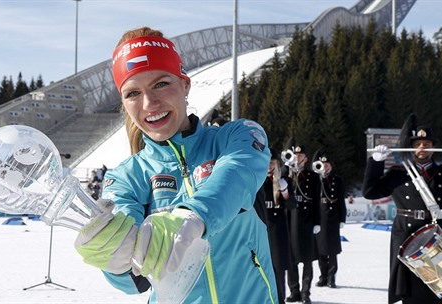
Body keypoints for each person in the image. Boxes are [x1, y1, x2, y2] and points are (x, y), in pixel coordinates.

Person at [73, 26, 278, 304]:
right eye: (133, 93)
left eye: (160, 84)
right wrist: (115, 260)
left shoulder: (236, 137)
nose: (149, 103)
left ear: (185, 84)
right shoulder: (126, 178)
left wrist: (193, 215)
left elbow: (237, 173)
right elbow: (135, 282)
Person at [363, 114, 442, 304]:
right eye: (417, 144)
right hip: (407, 235)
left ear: (433, 147)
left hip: (440, 233)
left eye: (426, 144)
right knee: (412, 291)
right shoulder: (398, 173)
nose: (421, 148)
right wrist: (375, 162)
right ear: (411, 147)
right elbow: (370, 192)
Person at [283, 140, 321, 304]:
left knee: (307, 260)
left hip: (306, 222)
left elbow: (316, 201)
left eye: (300, 155)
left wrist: (317, 222)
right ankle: (294, 291)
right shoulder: (286, 173)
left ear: (306, 158)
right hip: (289, 221)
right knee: (291, 260)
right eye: (295, 155)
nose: (297, 158)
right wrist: (288, 167)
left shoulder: (312, 176)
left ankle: (306, 292)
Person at [257, 147, 295, 304]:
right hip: (261, 233)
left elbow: (292, 206)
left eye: (272, 162)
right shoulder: (257, 180)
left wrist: (285, 190)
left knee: (279, 272)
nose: (269, 166)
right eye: (266, 162)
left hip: (278, 233)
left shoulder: (282, 180)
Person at [311, 150, 347, 289]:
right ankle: (323, 277)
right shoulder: (315, 179)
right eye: (322, 165)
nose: (325, 167)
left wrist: (342, 218)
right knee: (321, 250)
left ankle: (331, 278)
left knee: (332, 251)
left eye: (327, 165)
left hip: (332, 219)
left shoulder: (337, 180)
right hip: (320, 218)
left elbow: (341, 201)